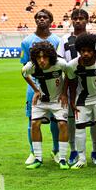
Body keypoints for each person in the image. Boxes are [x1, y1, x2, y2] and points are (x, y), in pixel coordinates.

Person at [57, 9, 96, 165]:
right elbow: (61, 64)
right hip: (71, 84)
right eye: (75, 18)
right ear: (71, 20)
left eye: (81, 18)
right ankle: (74, 150)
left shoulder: (95, 39)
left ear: (87, 20)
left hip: (92, 86)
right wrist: (63, 91)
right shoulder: (64, 39)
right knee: (72, 119)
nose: (78, 21)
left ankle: (95, 151)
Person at [65, 33, 96, 170]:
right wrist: (72, 100)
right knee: (80, 126)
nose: (85, 54)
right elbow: (72, 83)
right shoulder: (72, 65)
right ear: (79, 50)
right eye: (83, 51)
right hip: (82, 99)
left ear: (95, 51)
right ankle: (82, 159)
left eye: (89, 51)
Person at [20, 9, 61, 166]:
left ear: (51, 20)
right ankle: (33, 152)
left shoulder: (58, 40)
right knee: (32, 120)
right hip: (34, 88)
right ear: (35, 20)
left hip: (53, 87)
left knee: (56, 120)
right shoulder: (27, 41)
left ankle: (56, 150)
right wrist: (35, 87)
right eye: (39, 17)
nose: (41, 19)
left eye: (45, 17)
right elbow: (25, 68)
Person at [21, 41, 70, 170]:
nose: (41, 60)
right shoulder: (30, 66)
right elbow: (24, 74)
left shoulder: (60, 64)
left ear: (51, 56)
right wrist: (36, 90)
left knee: (62, 124)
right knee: (34, 124)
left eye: (45, 57)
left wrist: (64, 93)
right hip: (41, 100)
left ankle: (63, 159)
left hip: (58, 100)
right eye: (38, 57)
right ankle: (38, 158)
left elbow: (70, 75)